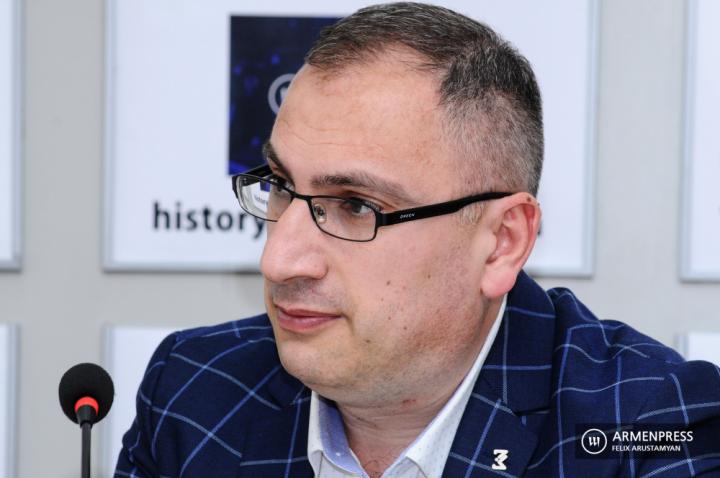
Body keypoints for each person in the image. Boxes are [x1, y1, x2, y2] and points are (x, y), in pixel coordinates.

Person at [115, 3, 720, 477]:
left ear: (502, 242)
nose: (278, 260)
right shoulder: (194, 392)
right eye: (279, 185)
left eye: (356, 206)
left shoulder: (650, 429)